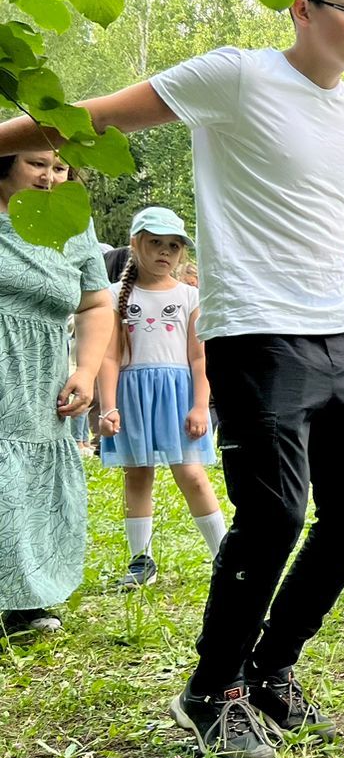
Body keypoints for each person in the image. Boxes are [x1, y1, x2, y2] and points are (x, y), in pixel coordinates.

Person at [0, 0, 344, 758]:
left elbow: (325, 220)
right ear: (302, 11)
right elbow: (90, 120)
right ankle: (210, 689)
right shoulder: (237, 76)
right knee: (276, 516)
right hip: (256, 330)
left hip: (336, 332)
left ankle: (272, 672)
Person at [0, 149, 113, 635]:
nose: (50, 177)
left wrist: (86, 370)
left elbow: (95, 305)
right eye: (36, 164)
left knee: (30, 481)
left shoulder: (72, 222)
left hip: (42, 372)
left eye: (60, 166)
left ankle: (26, 603)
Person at [97, 208, 226, 590]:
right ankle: (141, 560)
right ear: (135, 243)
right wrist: (108, 406)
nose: (164, 252)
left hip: (178, 396)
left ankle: (224, 554)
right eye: (155, 243)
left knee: (192, 474)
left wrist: (201, 405)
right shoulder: (111, 297)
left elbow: (199, 356)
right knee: (137, 474)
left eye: (173, 245)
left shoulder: (189, 295)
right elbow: (108, 356)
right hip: (132, 395)